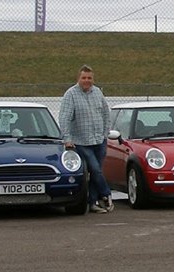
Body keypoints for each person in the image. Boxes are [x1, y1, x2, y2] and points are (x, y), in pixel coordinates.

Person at [59, 65, 113, 214]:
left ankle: (93, 203)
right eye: (84, 78)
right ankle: (106, 194)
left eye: (89, 78)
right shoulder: (71, 94)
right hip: (81, 141)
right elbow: (64, 118)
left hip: (99, 140)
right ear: (79, 78)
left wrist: (105, 133)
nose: (87, 81)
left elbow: (106, 114)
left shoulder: (97, 93)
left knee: (98, 172)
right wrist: (67, 139)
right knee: (95, 169)